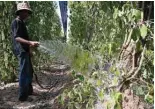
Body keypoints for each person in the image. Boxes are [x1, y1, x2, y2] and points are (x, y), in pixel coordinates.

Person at [11, 2, 39, 101]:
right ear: (20, 12)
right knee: (24, 73)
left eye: (27, 12)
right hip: (21, 51)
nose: (27, 14)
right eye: (25, 12)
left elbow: (24, 38)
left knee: (29, 71)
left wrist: (29, 49)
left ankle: (29, 92)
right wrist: (30, 43)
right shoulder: (16, 22)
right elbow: (17, 38)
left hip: (25, 50)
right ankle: (23, 97)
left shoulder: (22, 22)